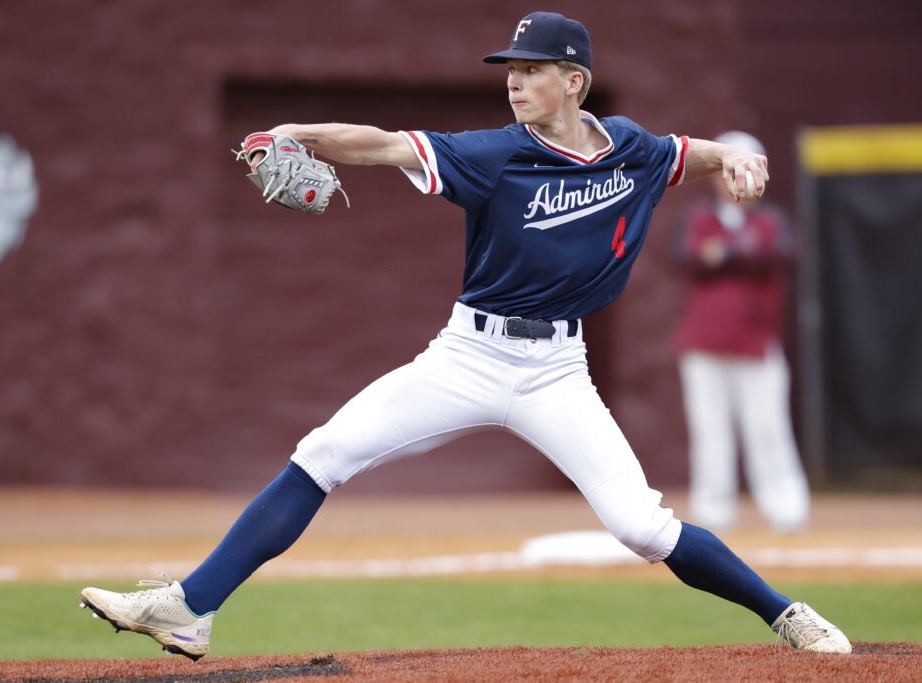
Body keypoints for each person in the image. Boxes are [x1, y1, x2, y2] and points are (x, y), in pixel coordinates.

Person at [79, 12, 851, 658]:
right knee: (325, 451)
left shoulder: (630, 148)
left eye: (531, 69)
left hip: (558, 369)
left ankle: (787, 613)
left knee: (642, 526)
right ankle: (191, 606)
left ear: (574, 82)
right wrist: (293, 131)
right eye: (510, 69)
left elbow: (689, 154)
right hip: (468, 355)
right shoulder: (496, 154)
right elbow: (383, 143)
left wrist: (733, 157)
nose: (513, 81)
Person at [674, 131, 811, 534]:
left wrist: (725, 252)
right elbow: (688, 256)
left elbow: (777, 252)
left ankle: (785, 507)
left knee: (767, 427)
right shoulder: (699, 217)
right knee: (709, 429)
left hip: (756, 342)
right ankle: (713, 512)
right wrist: (738, 253)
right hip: (704, 343)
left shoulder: (773, 221)